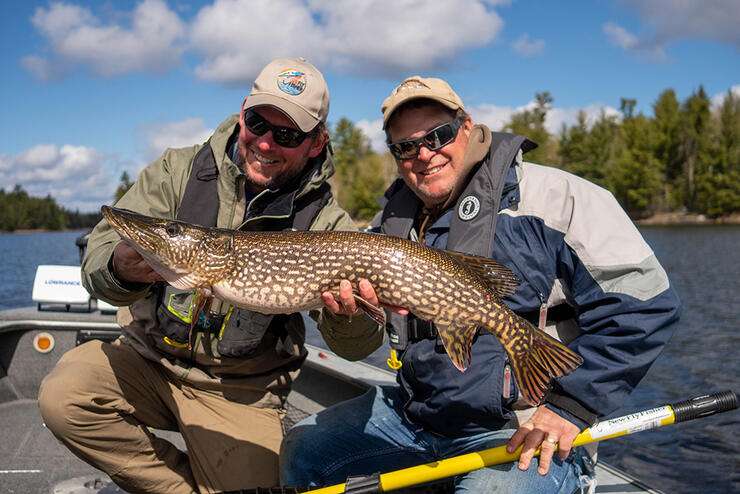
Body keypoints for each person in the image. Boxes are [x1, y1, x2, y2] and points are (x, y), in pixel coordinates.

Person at [280, 76, 682, 492]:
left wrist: (570, 406)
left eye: (438, 135)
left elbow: (646, 306)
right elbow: (357, 343)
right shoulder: (386, 228)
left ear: (467, 126)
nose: (424, 154)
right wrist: (347, 318)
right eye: (405, 147)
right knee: (304, 449)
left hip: (523, 425)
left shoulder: (557, 198)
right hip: (415, 416)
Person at [37, 58, 383, 494]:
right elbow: (96, 263)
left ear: (316, 144)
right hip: (149, 362)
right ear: (242, 114)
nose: (265, 143)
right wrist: (117, 268)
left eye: (287, 135)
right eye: (258, 123)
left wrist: (350, 316)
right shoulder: (176, 171)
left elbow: (359, 347)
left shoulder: (328, 225)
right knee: (65, 396)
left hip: (240, 390)